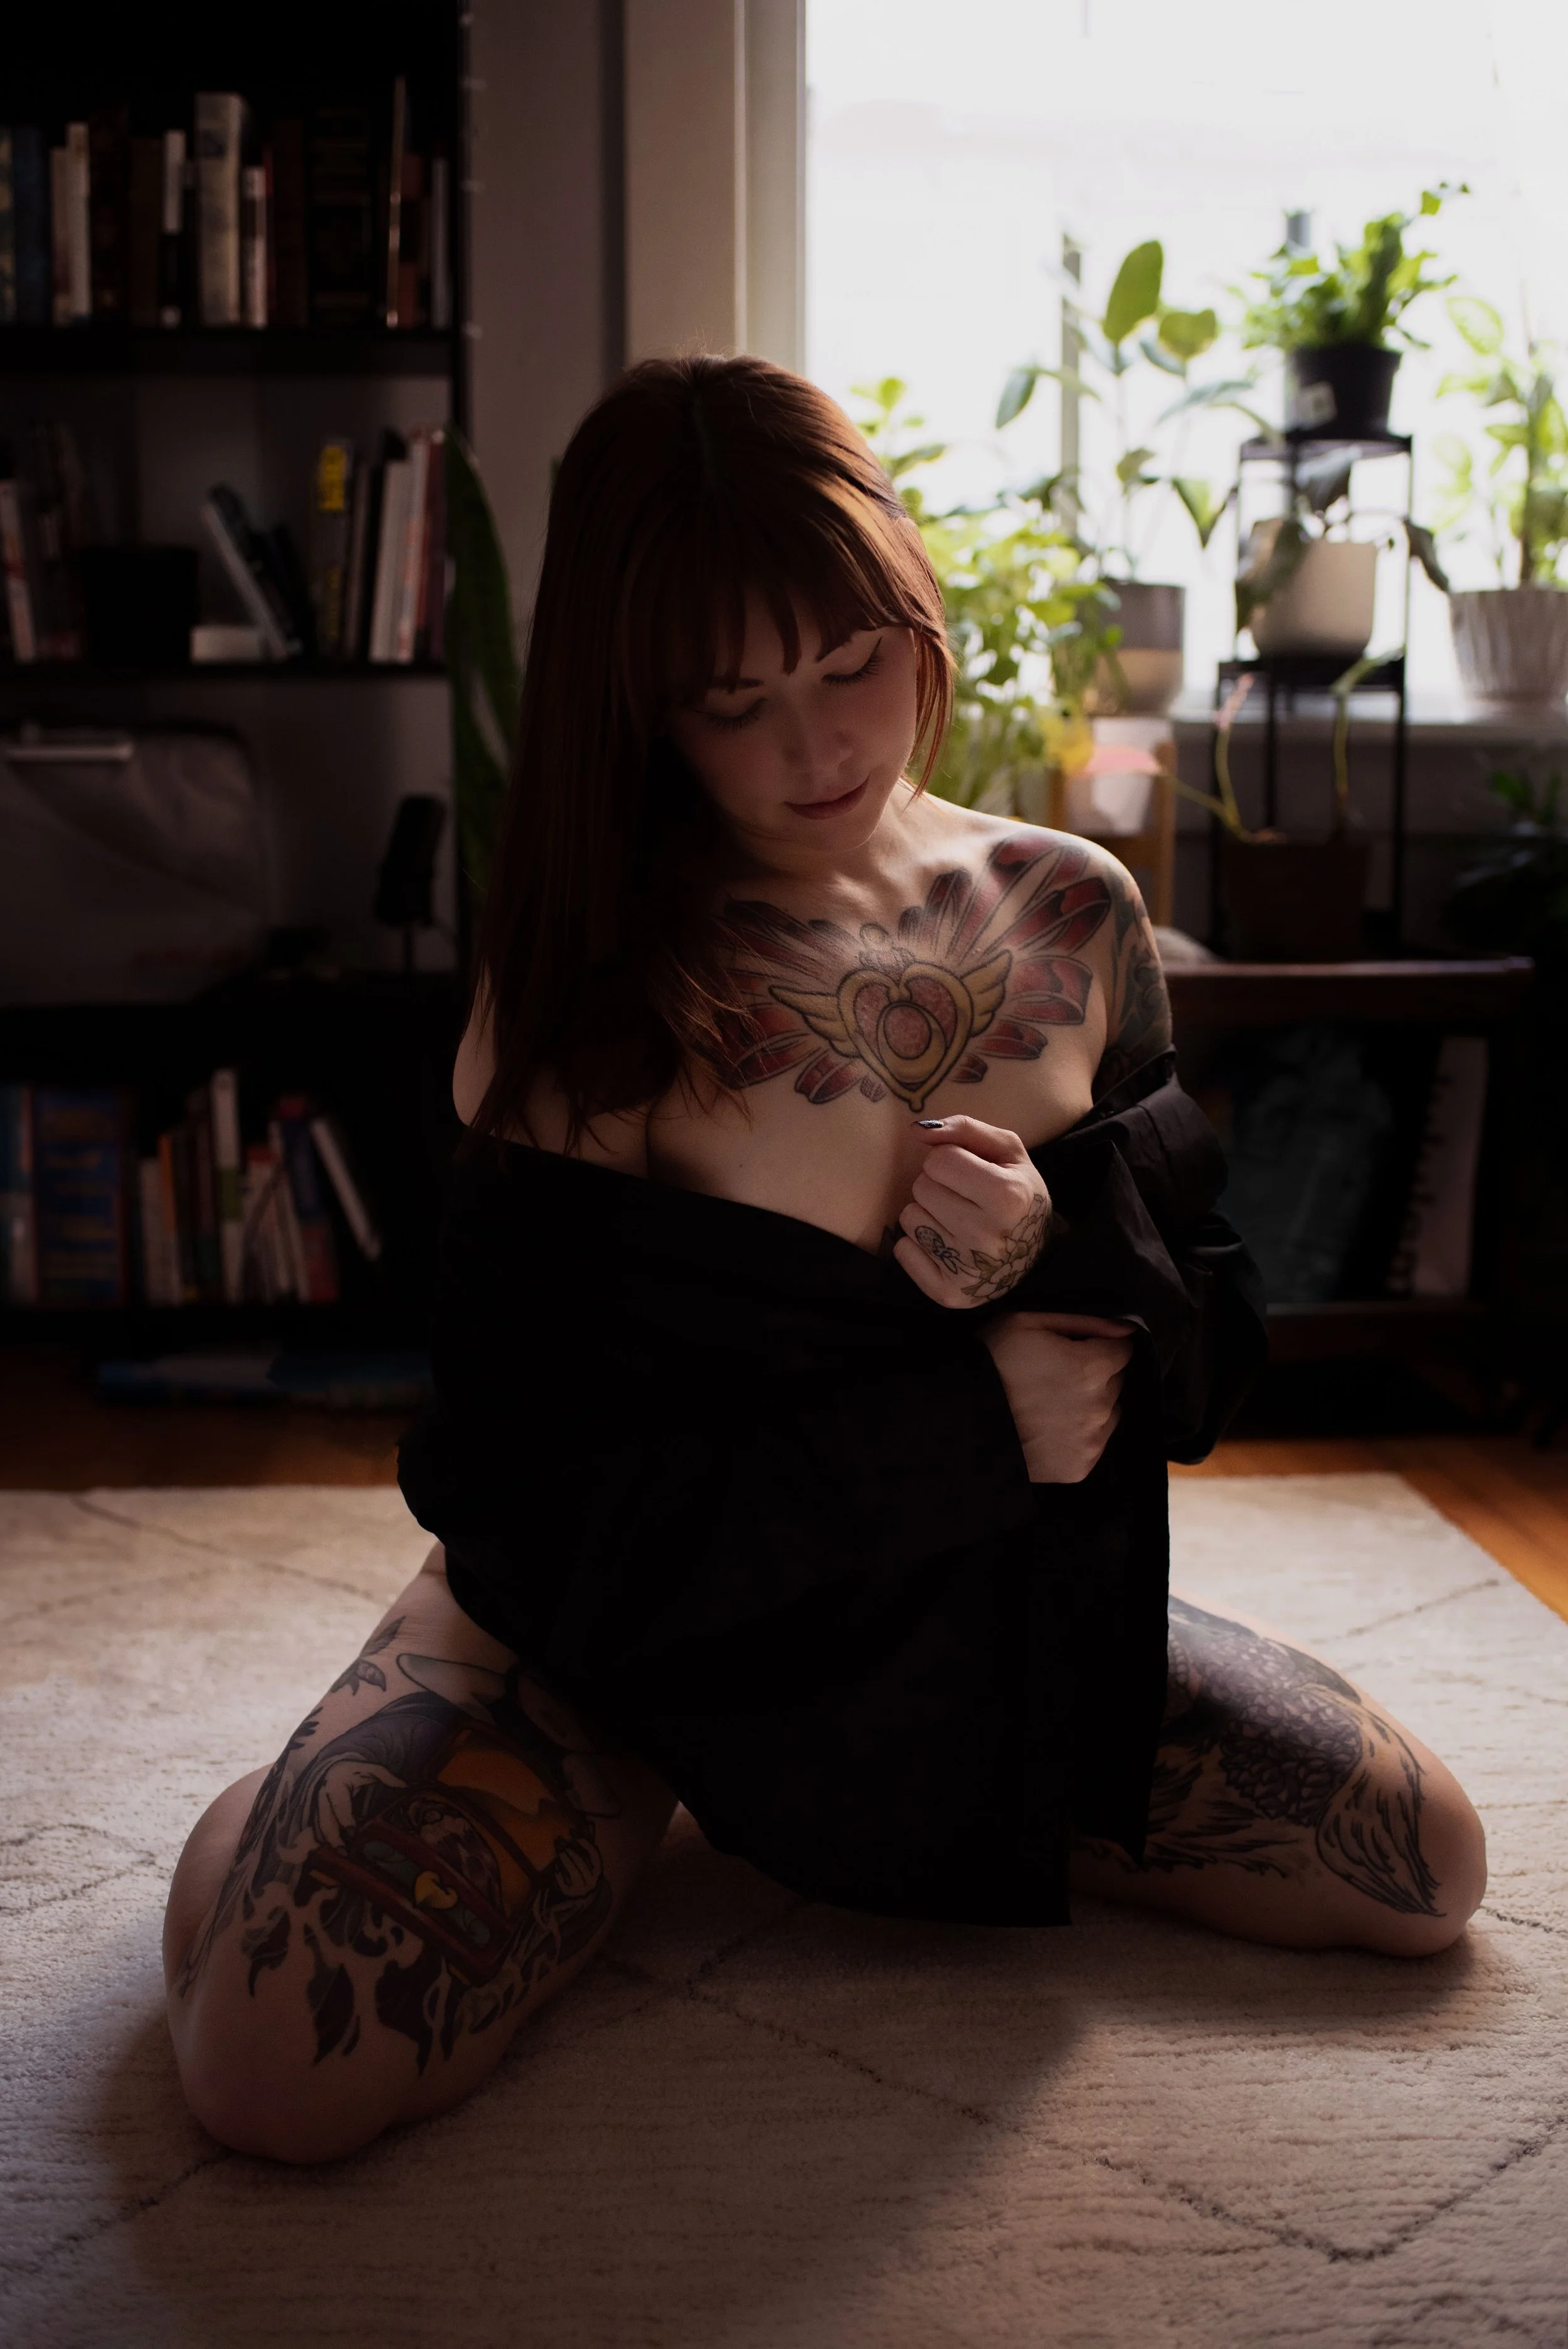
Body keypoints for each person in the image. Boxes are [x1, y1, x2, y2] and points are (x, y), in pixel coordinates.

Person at [164, 356, 1487, 2165]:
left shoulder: (1075, 910)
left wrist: (1056, 1238)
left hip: (965, 1610)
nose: (817, 747)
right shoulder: (584, 998)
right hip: (615, 1622)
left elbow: (1217, 1333)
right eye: (732, 702)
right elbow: (515, 1485)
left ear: (913, 610)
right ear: (639, 709)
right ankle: (364, 1779)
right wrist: (965, 1426)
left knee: (1423, 1867)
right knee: (268, 2074)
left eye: (853, 663)